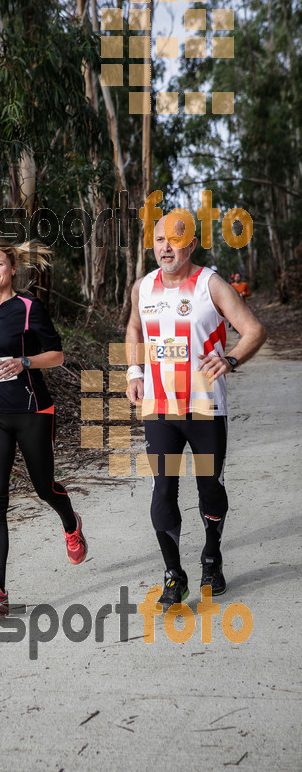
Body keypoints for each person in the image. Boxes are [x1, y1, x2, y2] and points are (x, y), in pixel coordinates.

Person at [125, 215, 266, 607]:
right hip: (159, 407)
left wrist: (233, 359)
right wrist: (135, 370)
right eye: (158, 240)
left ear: (191, 244)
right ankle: (174, 574)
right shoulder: (143, 287)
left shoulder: (211, 285)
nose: (165, 247)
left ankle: (211, 556)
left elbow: (254, 330)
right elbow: (134, 329)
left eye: (175, 239)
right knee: (162, 491)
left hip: (206, 408)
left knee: (210, 490)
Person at [0, 239, 87, 615]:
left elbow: (58, 355)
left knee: (44, 487)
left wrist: (26, 362)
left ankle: (70, 522)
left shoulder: (29, 306)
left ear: (12, 269)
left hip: (33, 411)